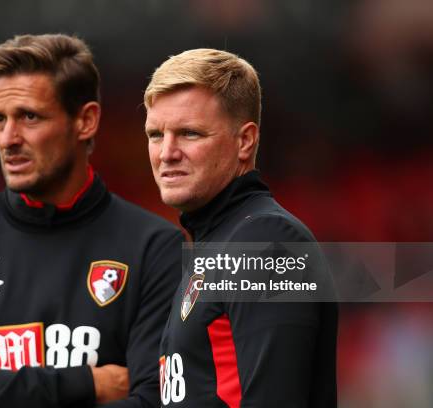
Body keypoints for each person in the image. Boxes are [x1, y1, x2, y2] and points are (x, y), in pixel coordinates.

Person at [0, 34, 183, 408]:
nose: (8, 138)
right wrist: (86, 384)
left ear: (85, 120)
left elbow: (153, 400)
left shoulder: (156, 248)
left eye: (29, 116)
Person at [144, 49, 337, 407]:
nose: (166, 153)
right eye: (156, 134)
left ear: (245, 141)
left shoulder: (266, 241)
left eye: (189, 133)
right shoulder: (215, 246)